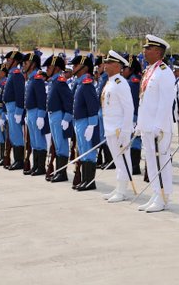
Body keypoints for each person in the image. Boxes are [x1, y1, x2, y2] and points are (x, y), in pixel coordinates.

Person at [136, 35, 176, 211]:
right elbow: (144, 101)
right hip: (147, 126)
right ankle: (155, 194)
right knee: (151, 162)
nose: (144, 51)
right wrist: (140, 123)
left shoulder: (164, 72)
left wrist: (158, 125)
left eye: (148, 48)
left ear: (158, 52)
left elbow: (166, 101)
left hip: (158, 128)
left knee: (161, 162)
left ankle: (163, 196)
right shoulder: (149, 71)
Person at [100, 51, 136, 202]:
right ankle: (118, 188)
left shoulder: (121, 83)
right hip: (110, 128)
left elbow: (129, 109)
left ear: (116, 65)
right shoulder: (110, 82)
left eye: (108, 63)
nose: (105, 65)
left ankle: (122, 191)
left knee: (122, 160)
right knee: (117, 160)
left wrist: (126, 131)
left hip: (119, 129)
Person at [71, 55, 100, 192]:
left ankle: (90, 181)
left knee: (88, 151)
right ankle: (84, 180)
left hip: (86, 122)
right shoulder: (80, 83)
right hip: (79, 121)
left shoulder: (87, 83)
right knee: (83, 151)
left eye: (76, 65)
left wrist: (92, 125)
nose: (73, 68)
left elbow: (92, 106)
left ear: (84, 67)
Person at [46, 56, 74, 183]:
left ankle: (62, 173)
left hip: (59, 116)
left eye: (49, 67)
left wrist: (67, 118)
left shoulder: (60, 82)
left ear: (56, 68)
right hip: (52, 115)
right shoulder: (53, 82)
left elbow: (69, 101)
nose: (46, 69)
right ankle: (59, 171)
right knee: (57, 145)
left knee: (62, 145)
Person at [23, 52, 49, 176]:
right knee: (33, 141)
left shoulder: (37, 79)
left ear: (33, 65)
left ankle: (41, 167)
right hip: (30, 112)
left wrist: (40, 116)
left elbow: (41, 99)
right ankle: (35, 165)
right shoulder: (31, 79)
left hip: (36, 112)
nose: (23, 65)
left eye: (26, 63)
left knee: (39, 140)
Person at [4, 52, 27, 169]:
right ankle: (16, 159)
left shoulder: (17, 75)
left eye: (9, 60)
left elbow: (20, 95)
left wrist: (19, 111)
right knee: (13, 134)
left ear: (15, 61)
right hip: (10, 107)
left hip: (15, 107)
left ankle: (19, 160)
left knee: (17, 134)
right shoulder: (12, 74)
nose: (6, 62)